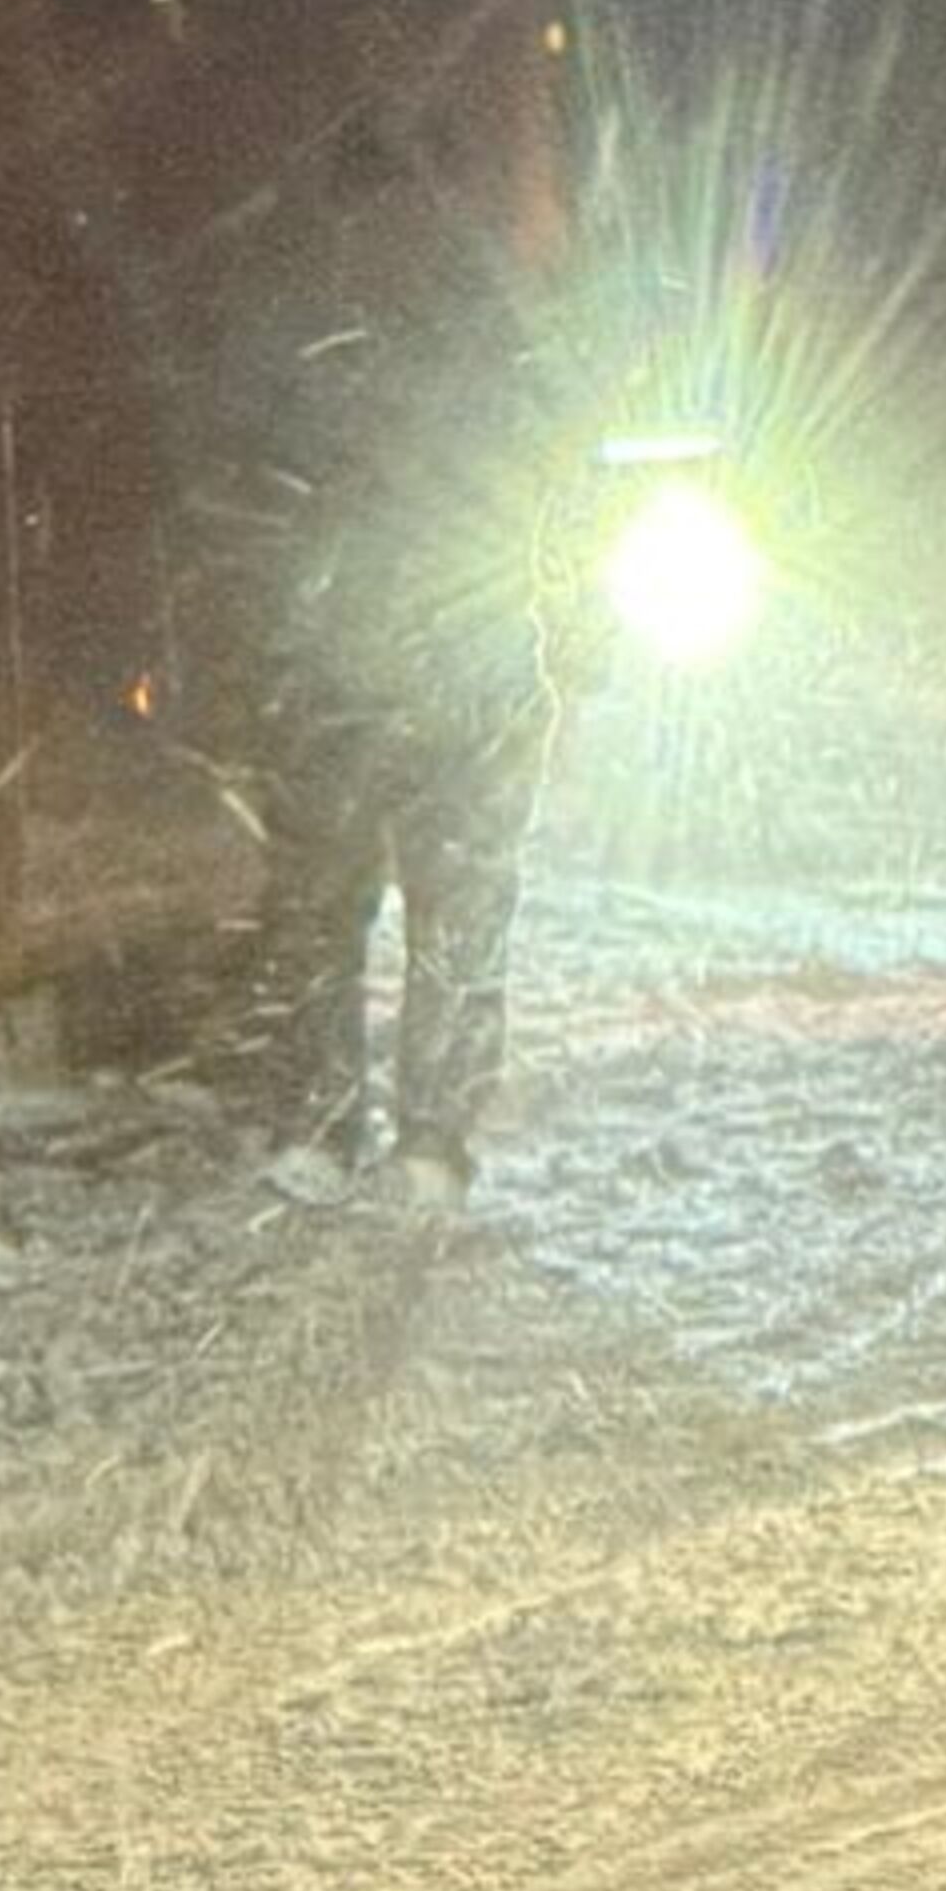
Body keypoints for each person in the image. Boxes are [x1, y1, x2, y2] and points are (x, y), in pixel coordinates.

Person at [190, 92, 593, 1185]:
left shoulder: (298, 314)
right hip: (473, 654)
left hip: (332, 656)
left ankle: (316, 1128)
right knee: (460, 909)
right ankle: (433, 1139)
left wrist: (264, 620)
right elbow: (562, 465)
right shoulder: (494, 312)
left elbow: (233, 467)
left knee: (318, 905)